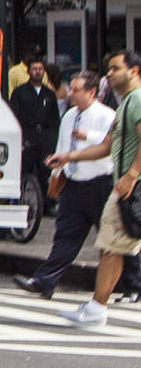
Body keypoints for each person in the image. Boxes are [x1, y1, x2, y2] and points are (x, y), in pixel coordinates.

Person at [55, 50, 140, 328]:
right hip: (127, 185)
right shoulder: (127, 102)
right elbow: (106, 145)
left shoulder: (137, 100)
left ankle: (96, 308)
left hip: (130, 188)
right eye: (109, 69)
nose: (109, 74)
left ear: (134, 71)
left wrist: (131, 175)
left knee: (111, 246)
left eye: (115, 68)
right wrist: (69, 157)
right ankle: (96, 306)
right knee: (111, 246)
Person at [17, 67, 117, 299]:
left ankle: (134, 282)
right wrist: (56, 174)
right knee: (65, 235)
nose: (70, 93)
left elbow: (110, 145)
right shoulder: (70, 116)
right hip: (74, 184)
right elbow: (63, 146)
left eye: (76, 89)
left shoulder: (106, 115)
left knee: (112, 238)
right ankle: (45, 281)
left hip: (100, 184)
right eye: (70, 88)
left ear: (92, 92)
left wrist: (87, 136)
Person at [13, 58, 61, 196]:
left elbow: (54, 118)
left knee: (46, 170)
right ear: (29, 72)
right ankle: (21, 198)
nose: (38, 72)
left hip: (45, 138)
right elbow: (15, 114)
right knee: (24, 170)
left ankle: (46, 203)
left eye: (40, 69)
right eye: (35, 69)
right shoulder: (19, 92)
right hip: (27, 136)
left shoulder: (49, 94)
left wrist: (53, 137)